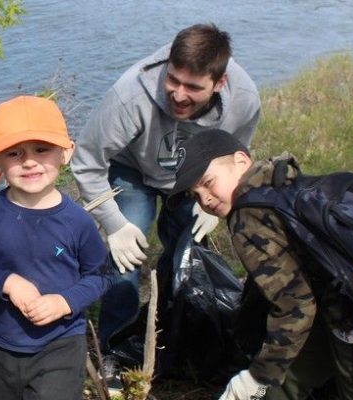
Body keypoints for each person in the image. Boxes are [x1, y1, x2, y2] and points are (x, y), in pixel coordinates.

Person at [70, 23, 261, 385]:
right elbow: (87, 161)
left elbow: (236, 156)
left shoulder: (245, 99)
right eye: (173, 80)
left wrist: (212, 206)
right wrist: (114, 224)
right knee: (126, 260)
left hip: (193, 178)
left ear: (219, 84)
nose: (178, 94)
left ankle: (177, 338)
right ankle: (117, 350)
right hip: (132, 170)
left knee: (187, 254)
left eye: (193, 87)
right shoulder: (131, 96)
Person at [165, 129, 353, 400]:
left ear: (241, 161)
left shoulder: (248, 218)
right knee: (283, 384)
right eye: (195, 195)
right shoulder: (278, 179)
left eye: (207, 182)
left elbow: (295, 305)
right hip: (344, 308)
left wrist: (257, 377)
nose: (204, 199)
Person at [0, 95, 110, 400]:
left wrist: (65, 302)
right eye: (14, 153)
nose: (29, 161)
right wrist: (7, 282)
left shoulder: (77, 221)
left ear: (66, 153)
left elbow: (101, 274)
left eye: (42, 149)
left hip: (61, 345)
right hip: (2, 344)